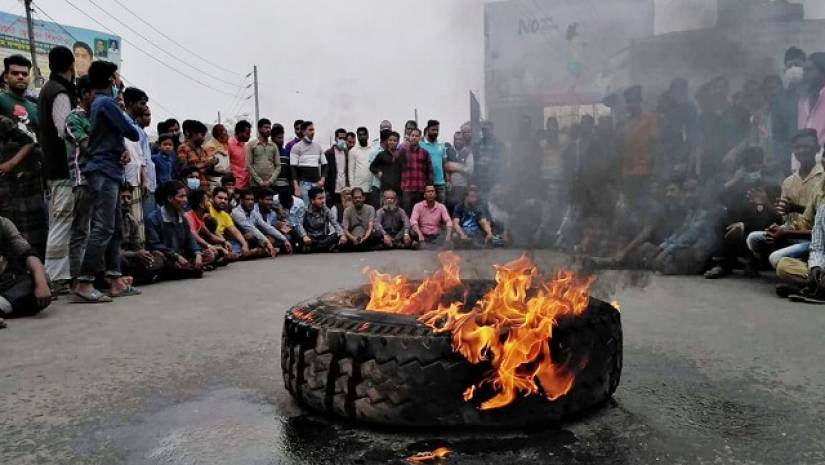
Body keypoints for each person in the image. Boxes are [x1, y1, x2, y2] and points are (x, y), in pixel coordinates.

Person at [73, 60, 141, 303]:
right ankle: (84, 282)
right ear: (111, 79)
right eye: (117, 77)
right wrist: (121, 97)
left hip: (109, 169)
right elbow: (133, 131)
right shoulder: (106, 103)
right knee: (102, 228)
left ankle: (115, 279)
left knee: (114, 228)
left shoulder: (101, 104)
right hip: (103, 171)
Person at [747, 129, 823, 271]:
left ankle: (810, 268)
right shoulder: (788, 182)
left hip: (813, 238)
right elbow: (784, 218)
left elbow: (820, 216)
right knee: (753, 238)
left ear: (817, 149)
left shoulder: (822, 177)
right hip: (791, 233)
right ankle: (795, 260)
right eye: (797, 147)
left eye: (806, 146)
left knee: (775, 258)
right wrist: (766, 204)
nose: (801, 151)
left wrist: (796, 208)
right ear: (793, 151)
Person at [705, 147, 782, 279]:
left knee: (761, 216)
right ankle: (723, 263)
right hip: (737, 223)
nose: (753, 169)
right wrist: (734, 181)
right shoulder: (738, 184)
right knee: (718, 216)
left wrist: (744, 224)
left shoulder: (770, 184)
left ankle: (753, 261)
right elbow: (714, 199)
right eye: (749, 167)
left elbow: (776, 215)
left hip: (763, 224)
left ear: (761, 164)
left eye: (756, 164)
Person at [38, 46, 77, 291]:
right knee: (62, 220)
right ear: (71, 66)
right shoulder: (60, 92)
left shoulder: (47, 90)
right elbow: (67, 130)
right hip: (62, 169)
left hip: (54, 168)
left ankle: (58, 274)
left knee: (60, 219)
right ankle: (55, 277)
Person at [64, 75, 94, 294]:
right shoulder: (74, 117)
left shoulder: (96, 116)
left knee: (95, 231)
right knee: (81, 232)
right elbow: (87, 146)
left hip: (99, 180)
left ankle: (90, 277)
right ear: (85, 93)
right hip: (82, 179)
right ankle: (77, 279)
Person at [145, 180, 206, 281]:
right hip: (168, 256)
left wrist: (197, 254)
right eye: (181, 196)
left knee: (209, 254)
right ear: (170, 198)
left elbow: (190, 239)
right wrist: (176, 256)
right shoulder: (153, 219)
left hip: (182, 256)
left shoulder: (183, 218)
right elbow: (155, 245)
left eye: (185, 196)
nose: (185, 200)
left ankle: (187, 268)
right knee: (158, 260)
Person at [0, 214, 51, 319]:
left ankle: (3, 306)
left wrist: (41, 284)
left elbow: (28, 253)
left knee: (42, 278)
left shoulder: (3, 223)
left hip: (4, 287)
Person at [122, 87, 151, 250]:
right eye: (141, 103)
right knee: (130, 222)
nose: (144, 107)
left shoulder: (134, 126)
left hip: (137, 180)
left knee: (138, 221)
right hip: (127, 181)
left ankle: (142, 255)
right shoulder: (121, 121)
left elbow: (140, 158)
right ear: (131, 103)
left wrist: (144, 179)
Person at [620, 85, 658, 207]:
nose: (630, 105)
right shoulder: (623, 122)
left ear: (639, 101)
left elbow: (655, 144)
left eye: (633, 101)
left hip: (645, 172)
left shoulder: (650, 120)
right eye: (628, 101)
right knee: (629, 207)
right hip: (627, 173)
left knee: (644, 206)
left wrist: (650, 163)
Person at [118, 184, 163, 285]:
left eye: (129, 198)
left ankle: (134, 278)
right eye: (122, 197)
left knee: (159, 258)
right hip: (116, 259)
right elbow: (110, 252)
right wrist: (136, 254)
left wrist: (147, 255)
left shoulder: (131, 220)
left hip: (130, 258)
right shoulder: (108, 221)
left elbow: (137, 246)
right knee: (119, 259)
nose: (126, 201)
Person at [183, 188, 231, 265]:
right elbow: (193, 235)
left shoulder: (199, 218)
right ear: (201, 205)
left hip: (197, 247)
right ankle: (191, 264)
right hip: (187, 249)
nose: (209, 203)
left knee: (219, 250)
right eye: (207, 201)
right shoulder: (189, 216)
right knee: (211, 254)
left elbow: (209, 235)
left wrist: (224, 241)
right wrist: (208, 246)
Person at [290, 121, 328, 206]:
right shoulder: (296, 147)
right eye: (310, 130)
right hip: (304, 185)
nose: (313, 132)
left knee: (321, 208)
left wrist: (322, 179)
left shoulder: (318, 147)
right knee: (306, 210)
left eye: (313, 130)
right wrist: (296, 187)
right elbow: (293, 169)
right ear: (303, 131)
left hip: (317, 184)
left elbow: (325, 165)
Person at [231, 189, 278, 258]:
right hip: (239, 239)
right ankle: (252, 252)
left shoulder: (253, 212)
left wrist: (284, 239)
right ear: (241, 201)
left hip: (254, 238)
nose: (250, 202)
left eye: (252, 199)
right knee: (250, 235)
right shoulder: (236, 212)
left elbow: (266, 226)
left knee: (271, 238)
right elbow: (251, 229)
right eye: (247, 199)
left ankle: (258, 250)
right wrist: (267, 243)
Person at [209, 187, 253, 259]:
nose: (223, 201)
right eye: (220, 198)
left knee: (244, 242)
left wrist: (244, 244)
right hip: (211, 237)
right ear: (213, 198)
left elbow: (234, 231)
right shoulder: (208, 207)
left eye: (226, 199)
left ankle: (234, 254)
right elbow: (212, 230)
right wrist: (224, 241)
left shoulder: (225, 215)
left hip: (223, 240)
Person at [0, 54, 38, 136]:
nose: (20, 77)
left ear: (29, 78)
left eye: (24, 74)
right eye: (15, 73)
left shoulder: (35, 108)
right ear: (6, 77)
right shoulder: (1, 99)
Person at [300, 187, 345, 253]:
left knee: (336, 235)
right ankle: (326, 247)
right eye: (319, 198)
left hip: (323, 237)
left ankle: (315, 248)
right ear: (312, 200)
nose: (323, 201)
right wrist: (304, 236)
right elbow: (299, 224)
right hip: (311, 238)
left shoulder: (326, 209)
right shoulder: (305, 210)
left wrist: (342, 235)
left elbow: (335, 223)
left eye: (323, 198)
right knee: (299, 236)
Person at [399, 128, 433, 213]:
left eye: (416, 136)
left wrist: (428, 185)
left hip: (420, 188)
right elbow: (397, 169)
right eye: (412, 135)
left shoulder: (425, 153)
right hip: (406, 188)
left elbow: (430, 171)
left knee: (419, 213)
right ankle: (407, 227)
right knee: (407, 212)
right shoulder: (402, 152)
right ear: (409, 137)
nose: (414, 137)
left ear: (420, 138)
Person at [177, 119, 215, 189]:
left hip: (204, 187)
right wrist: (204, 164)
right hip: (191, 188)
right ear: (192, 133)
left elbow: (207, 171)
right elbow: (183, 169)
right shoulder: (183, 148)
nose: (203, 138)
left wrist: (212, 164)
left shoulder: (203, 150)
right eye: (202, 135)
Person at [245, 118, 280, 191]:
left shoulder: (273, 145)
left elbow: (278, 166)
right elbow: (249, 165)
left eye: (269, 127)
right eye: (266, 127)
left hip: (271, 185)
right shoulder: (251, 145)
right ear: (259, 129)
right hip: (255, 185)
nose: (268, 130)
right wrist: (260, 182)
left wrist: (270, 181)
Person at [798, 52, 825, 146]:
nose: (804, 74)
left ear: (823, 72)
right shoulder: (803, 100)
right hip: (804, 156)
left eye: (808, 70)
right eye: (804, 70)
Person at [255, 188, 293, 254]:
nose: (270, 202)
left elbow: (273, 226)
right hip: (256, 235)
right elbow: (263, 227)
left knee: (288, 236)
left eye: (271, 200)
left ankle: (268, 249)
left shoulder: (272, 212)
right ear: (260, 200)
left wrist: (282, 226)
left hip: (270, 235)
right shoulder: (254, 210)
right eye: (267, 200)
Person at [419, 120, 448, 204]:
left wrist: (448, 180)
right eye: (433, 130)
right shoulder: (420, 144)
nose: (435, 132)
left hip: (440, 183)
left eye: (437, 130)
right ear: (427, 130)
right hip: (427, 183)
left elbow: (444, 164)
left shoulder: (441, 146)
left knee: (441, 208)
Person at [445, 130, 474, 212]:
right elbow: (446, 167)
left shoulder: (468, 152)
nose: (457, 141)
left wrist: (455, 166)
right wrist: (448, 180)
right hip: (450, 187)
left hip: (462, 186)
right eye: (456, 139)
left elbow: (470, 170)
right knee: (450, 209)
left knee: (461, 209)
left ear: (464, 140)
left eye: (460, 139)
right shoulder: (448, 151)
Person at [475, 121, 505, 195]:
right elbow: (474, 160)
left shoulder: (499, 144)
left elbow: (503, 161)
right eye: (483, 129)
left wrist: (490, 161)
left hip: (493, 179)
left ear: (492, 130)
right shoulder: (478, 144)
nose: (484, 132)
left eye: (486, 129)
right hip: (480, 179)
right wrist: (478, 162)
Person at [370, 130, 402, 197]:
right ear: (387, 141)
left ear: (398, 142)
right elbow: (372, 167)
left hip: (398, 190)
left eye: (394, 140)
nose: (392, 142)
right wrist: (378, 171)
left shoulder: (401, 155)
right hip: (385, 189)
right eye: (390, 140)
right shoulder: (382, 154)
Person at [324, 128, 349, 208]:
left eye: (344, 138)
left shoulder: (347, 153)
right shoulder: (328, 153)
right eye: (340, 138)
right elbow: (325, 172)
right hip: (333, 188)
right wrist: (326, 190)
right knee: (333, 210)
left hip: (344, 188)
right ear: (335, 138)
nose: (342, 140)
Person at [204, 124, 232, 188]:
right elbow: (209, 169)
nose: (227, 136)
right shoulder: (210, 146)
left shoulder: (225, 144)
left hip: (225, 180)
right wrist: (224, 172)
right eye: (225, 134)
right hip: (215, 181)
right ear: (219, 136)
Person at [349, 127, 374, 196]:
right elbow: (351, 171)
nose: (362, 137)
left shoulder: (373, 150)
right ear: (357, 137)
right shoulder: (353, 151)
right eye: (360, 135)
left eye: (364, 134)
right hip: (358, 189)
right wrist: (352, 188)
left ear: (367, 135)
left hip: (371, 188)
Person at [229, 120, 252, 189]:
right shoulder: (229, 144)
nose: (249, 136)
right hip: (236, 185)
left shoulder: (245, 145)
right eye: (247, 133)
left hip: (246, 184)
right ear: (239, 132)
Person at [271, 123, 292, 196]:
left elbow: (290, 173)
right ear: (272, 138)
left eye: (282, 138)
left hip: (285, 187)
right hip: (271, 187)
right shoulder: (268, 152)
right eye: (279, 138)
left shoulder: (287, 153)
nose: (281, 140)